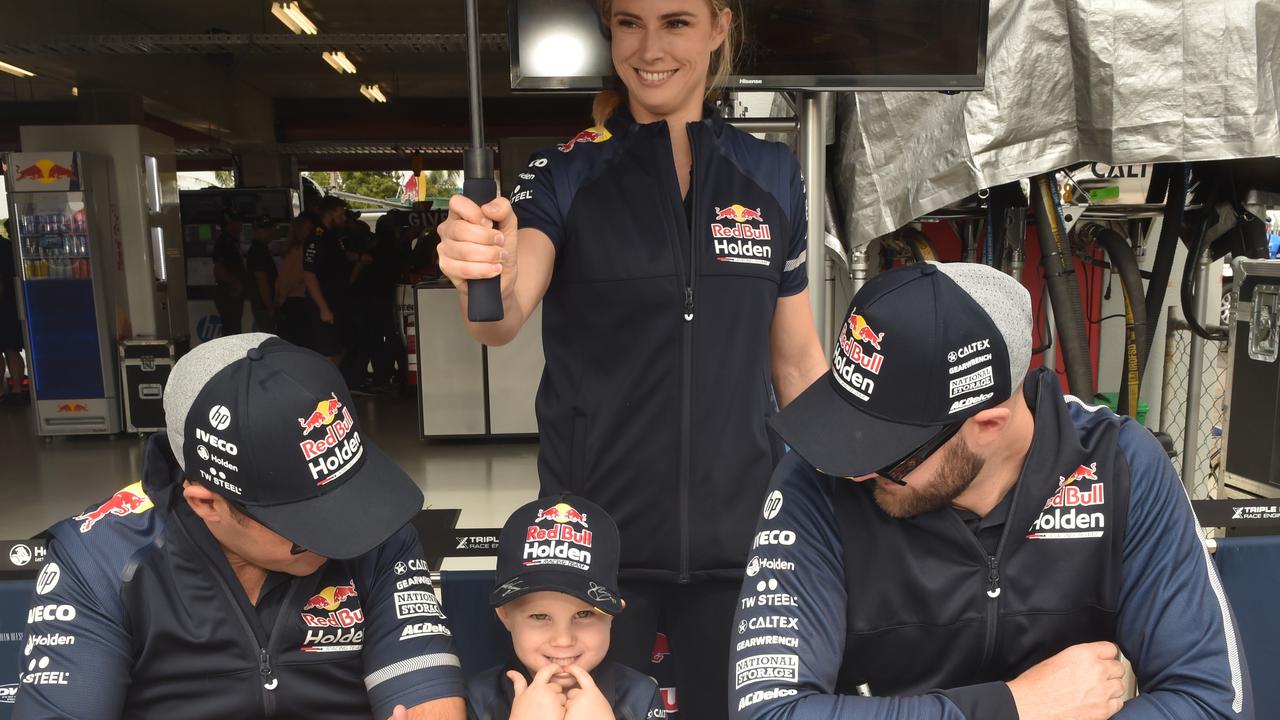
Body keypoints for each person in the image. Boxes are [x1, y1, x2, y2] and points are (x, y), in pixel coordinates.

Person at [437, 1, 827, 714]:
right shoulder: (564, 171)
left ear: (719, 28)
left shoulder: (773, 175)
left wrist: (840, 501)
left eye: (676, 22)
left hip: (740, 542)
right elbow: (503, 314)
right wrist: (478, 267)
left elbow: (798, 363)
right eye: (628, 22)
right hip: (595, 557)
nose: (649, 46)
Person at [729, 262, 1253, 720]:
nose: (853, 470)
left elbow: (1211, 701)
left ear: (988, 424)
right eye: (844, 426)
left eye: (885, 450)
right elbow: (769, 712)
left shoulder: (1121, 467)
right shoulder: (813, 484)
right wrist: (1015, 708)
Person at [14, 334, 466, 719]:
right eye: (308, 521)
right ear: (206, 503)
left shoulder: (379, 528)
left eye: (349, 493)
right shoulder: (99, 559)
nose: (350, 530)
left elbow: (426, 696)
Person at [467, 494, 665, 720]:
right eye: (540, 616)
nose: (563, 640)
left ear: (612, 614)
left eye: (583, 614)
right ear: (505, 615)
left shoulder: (641, 696)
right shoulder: (479, 699)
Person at [304, 196, 355, 366]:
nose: (344, 218)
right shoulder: (316, 238)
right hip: (324, 304)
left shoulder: (333, 237)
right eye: (340, 215)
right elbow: (309, 275)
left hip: (338, 301)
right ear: (329, 214)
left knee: (341, 348)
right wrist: (323, 308)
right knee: (328, 353)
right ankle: (326, 390)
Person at [275, 212, 316, 349]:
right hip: (296, 301)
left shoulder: (294, 250)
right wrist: (281, 297)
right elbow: (289, 278)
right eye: (309, 229)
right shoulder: (300, 250)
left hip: (294, 300)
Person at [0, 219, 28, 403]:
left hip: (5, 304)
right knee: (11, 349)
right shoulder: (8, 247)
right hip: (11, 304)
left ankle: (1, 392)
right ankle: (18, 389)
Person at [212, 210, 250, 336]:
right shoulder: (224, 242)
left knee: (234, 327)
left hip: (233, 293)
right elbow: (218, 269)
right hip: (228, 293)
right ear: (230, 224)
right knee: (231, 328)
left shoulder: (232, 242)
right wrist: (236, 283)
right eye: (238, 222)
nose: (241, 226)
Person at [246, 215, 279, 333]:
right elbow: (261, 280)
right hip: (263, 306)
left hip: (263, 304)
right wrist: (269, 306)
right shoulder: (257, 251)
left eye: (270, 229)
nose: (269, 232)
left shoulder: (262, 249)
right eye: (265, 229)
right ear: (256, 231)